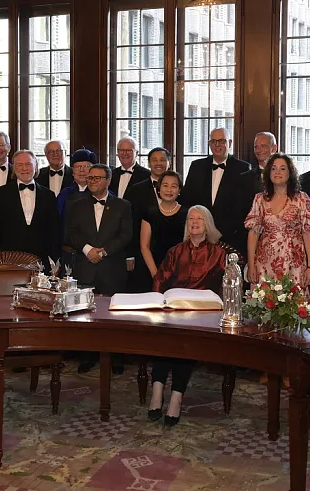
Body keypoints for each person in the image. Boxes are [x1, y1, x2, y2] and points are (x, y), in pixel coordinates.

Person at [148, 205, 227, 426]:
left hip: (200, 313)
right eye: (191, 218)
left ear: (207, 224)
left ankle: (176, 397)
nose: (194, 222)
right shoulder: (175, 251)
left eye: (199, 219)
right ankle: (157, 390)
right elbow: (159, 279)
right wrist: (156, 304)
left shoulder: (219, 254)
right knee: (163, 341)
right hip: (172, 308)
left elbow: (225, 286)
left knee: (184, 345)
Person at [245, 153, 310, 290]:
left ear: (290, 173)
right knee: (263, 303)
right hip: (264, 262)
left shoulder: (301, 198)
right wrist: (251, 265)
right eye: (273, 168)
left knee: (292, 305)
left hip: (294, 261)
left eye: (282, 168)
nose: (277, 172)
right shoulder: (259, 199)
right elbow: (253, 234)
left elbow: (308, 234)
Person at [63, 164, 133, 295]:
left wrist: (103, 252)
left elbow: (125, 235)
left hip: (112, 271)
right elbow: (69, 234)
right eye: (90, 178)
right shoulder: (75, 205)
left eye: (97, 178)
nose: (92, 181)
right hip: (84, 270)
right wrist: (88, 250)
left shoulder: (123, 205)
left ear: (108, 180)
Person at [0, 150, 60, 269]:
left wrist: (55, 260)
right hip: (8, 259)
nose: (24, 168)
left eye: (28, 164)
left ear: (36, 166)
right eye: (20, 165)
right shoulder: (0, 194)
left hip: (41, 261)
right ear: (14, 168)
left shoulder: (49, 195)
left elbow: (54, 230)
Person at [181, 127, 251, 253]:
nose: (217, 145)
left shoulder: (243, 168)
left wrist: (221, 232)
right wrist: (199, 228)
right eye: (213, 141)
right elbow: (187, 199)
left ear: (229, 143)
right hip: (199, 236)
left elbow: (243, 207)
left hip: (230, 237)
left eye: (221, 141)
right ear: (209, 144)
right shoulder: (196, 166)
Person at [125, 147, 172, 292]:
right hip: (142, 253)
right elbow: (129, 223)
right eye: (154, 160)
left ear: (169, 162)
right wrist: (130, 255)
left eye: (163, 160)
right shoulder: (135, 190)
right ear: (148, 163)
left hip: (171, 253)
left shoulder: (178, 189)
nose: (159, 163)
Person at [139, 171, 187, 279]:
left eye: (174, 186)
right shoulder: (149, 213)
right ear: (159, 189)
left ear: (179, 190)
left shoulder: (187, 213)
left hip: (181, 269)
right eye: (165, 185)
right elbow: (144, 246)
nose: (169, 190)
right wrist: (156, 274)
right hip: (152, 268)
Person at [56, 148, 97, 219]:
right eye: (78, 166)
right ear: (72, 171)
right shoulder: (64, 194)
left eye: (86, 166)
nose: (82, 170)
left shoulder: (101, 192)